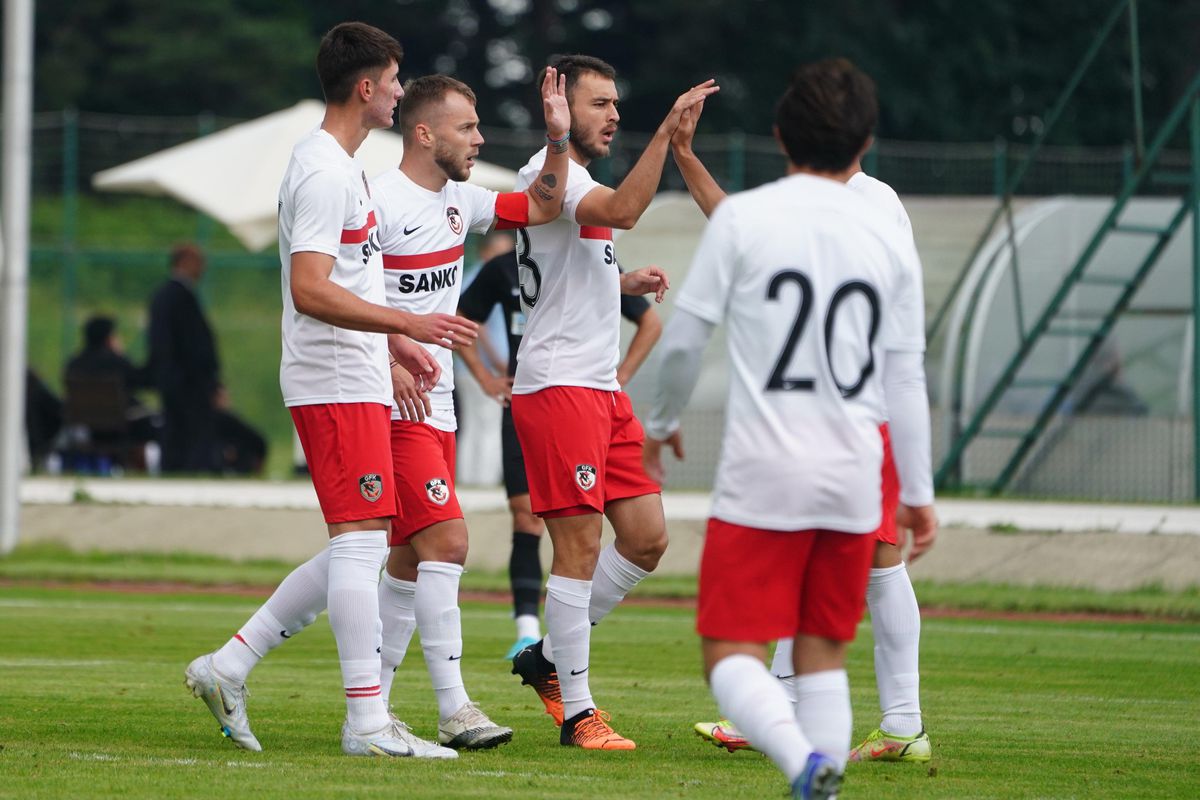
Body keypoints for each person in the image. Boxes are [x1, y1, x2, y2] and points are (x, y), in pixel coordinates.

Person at [643, 58, 937, 799]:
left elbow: (682, 341)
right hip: (855, 461)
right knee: (824, 651)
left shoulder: (751, 216)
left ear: (779, 137)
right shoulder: (886, 225)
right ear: (866, 139)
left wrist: (662, 423)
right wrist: (921, 489)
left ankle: (800, 756)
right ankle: (828, 769)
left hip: (765, 464)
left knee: (728, 654)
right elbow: (905, 373)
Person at [184, 21, 478, 759]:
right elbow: (310, 289)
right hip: (332, 376)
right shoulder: (322, 170)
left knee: (368, 539)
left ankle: (231, 664)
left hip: (356, 372)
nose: (403, 92)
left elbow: (345, 281)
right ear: (367, 87)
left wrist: (395, 341)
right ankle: (366, 722)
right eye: (396, 79)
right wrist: (404, 320)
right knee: (359, 545)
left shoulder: (343, 167)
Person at [504, 53, 717, 751]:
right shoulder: (553, 171)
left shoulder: (576, 179)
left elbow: (565, 266)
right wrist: (666, 135)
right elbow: (624, 209)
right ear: (560, 105)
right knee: (580, 546)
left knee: (648, 537)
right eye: (601, 103)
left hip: (600, 388)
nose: (615, 115)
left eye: (619, 105)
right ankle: (577, 713)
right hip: (560, 386)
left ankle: (547, 661)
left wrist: (620, 282)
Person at [367, 69, 571, 751]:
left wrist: (557, 137)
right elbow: (340, 293)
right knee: (447, 540)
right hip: (393, 398)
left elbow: (541, 207)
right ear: (424, 133)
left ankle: (369, 704)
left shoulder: (464, 201)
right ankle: (454, 708)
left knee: (403, 556)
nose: (480, 138)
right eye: (467, 126)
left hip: (437, 403)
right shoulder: (378, 199)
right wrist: (395, 353)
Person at [458, 249, 662, 659]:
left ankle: (548, 652)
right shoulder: (504, 268)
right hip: (535, 398)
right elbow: (463, 319)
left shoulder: (596, 258)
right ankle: (527, 629)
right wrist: (485, 377)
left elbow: (650, 322)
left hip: (594, 402)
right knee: (530, 517)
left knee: (642, 539)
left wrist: (621, 377)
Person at [146, 243, 220, 473]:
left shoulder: (162, 295)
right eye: (198, 261)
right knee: (190, 427)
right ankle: (191, 467)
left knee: (174, 426)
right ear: (184, 262)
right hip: (187, 378)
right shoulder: (180, 296)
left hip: (171, 375)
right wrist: (208, 376)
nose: (203, 267)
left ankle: (173, 467)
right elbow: (192, 342)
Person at [64, 315, 157, 458]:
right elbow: (147, 380)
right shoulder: (116, 363)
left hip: (87, 428)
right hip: (122, 428)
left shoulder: (74, 365)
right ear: (108, 338)